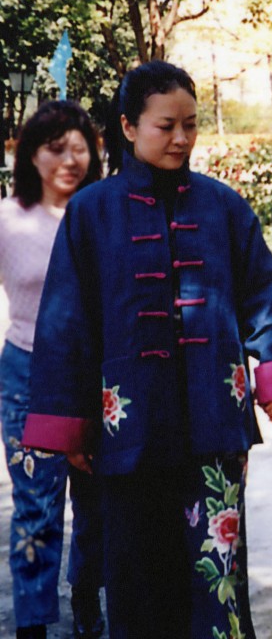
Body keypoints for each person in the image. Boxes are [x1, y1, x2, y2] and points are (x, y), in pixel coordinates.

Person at [21, 61, 272, 639]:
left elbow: (262, 294)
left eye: (191, 125)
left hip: (215, 422)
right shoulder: (92, 211)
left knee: (216, 572)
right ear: (128, 127)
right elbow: (65, 322)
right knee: (135, 574)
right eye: (165, 126)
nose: (181, 138)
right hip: (126, 429)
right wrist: (69, 422)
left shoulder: (223, 207)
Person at [1, 101, 105, 639]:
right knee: (37, 507)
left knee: (97, 501)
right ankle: (35, 620)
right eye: (56, 148)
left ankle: (88, 599)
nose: (70, 159)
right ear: (30, 154)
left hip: (98, 377)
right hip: (28, 375)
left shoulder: (106, 213)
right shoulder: (7, 219)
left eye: (80, 147)